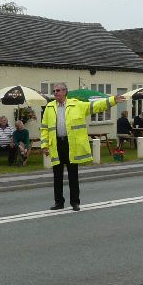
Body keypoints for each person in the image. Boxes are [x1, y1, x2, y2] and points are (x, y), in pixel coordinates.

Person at [41, 82, 124, 210]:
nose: (55, 93)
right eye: (54, 91)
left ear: (65, 92)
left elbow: (96, 106)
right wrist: (45, 145)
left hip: (71, 144)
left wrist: (112, 100)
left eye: (57, 90)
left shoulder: (77, 104)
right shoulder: (49, 107)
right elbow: (45, 128)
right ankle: (59, 202)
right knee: (57, 175)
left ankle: (75, 202)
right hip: (56, 144)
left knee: (73, 174)